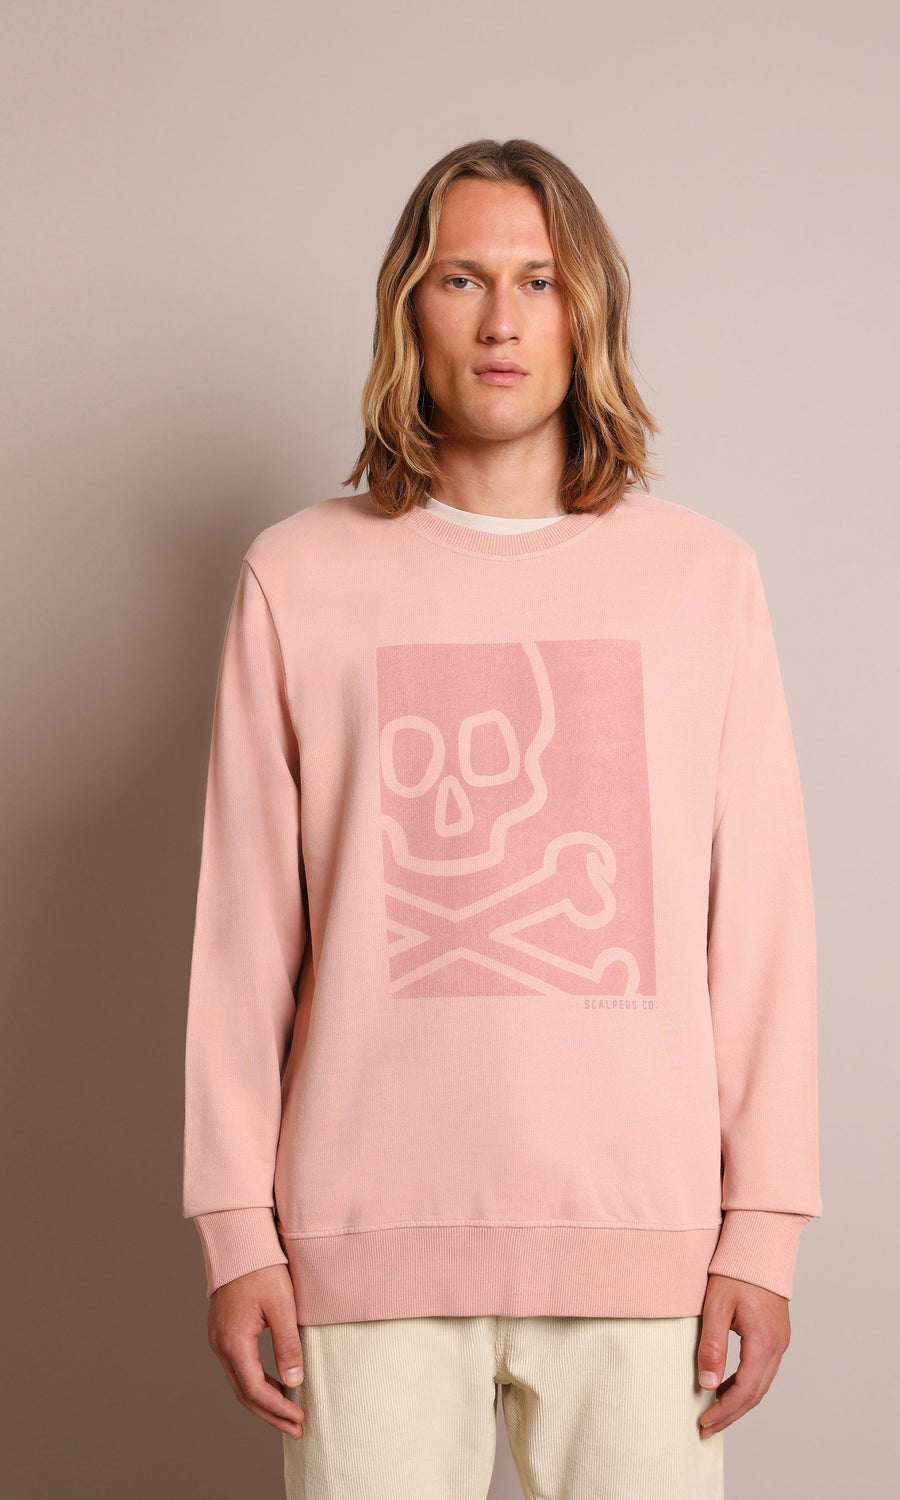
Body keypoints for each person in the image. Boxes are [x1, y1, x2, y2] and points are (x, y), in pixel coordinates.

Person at [182, 137, 822, 1499]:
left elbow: (760, 925)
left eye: (538, 279)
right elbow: (244, 940)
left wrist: (762, 1228)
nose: (500, 319)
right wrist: (237, 1229)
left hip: (644, 1249)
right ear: (408, 310)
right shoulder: (297, 578)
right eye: (460, 278)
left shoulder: (702, 579)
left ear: (587, 311)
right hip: (363, 1250)